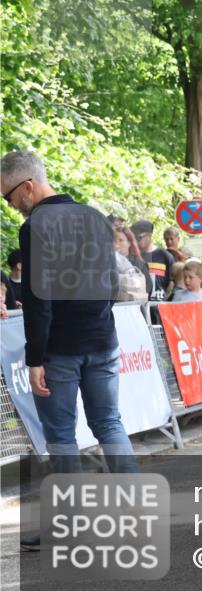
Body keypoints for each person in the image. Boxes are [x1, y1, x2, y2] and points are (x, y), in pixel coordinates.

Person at [1, 150, 139, 478]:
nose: (8, 204)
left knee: (62, 436)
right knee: (109, 423)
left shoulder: (36, 225)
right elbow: (111, 283)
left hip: (60, 347)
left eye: (7, 195)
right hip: (102, 339)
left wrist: (35, 359)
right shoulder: (93, 216)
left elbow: (37, 298)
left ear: (28, 186)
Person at [131, 219, 175, 302]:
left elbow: (172, 282)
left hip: (159, 305)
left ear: (149, 236)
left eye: (138, 237)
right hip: (139, 305)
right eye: (133, 237)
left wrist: (165, 300)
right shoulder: (132, 257)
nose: (135, 240)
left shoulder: (165, 256)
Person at [113, 227, 151, 303]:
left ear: (129, 243)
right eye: (115, 240)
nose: (117, 244)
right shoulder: (109, 260)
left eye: (121, 240)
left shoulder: (138, 263)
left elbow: (148, 287)